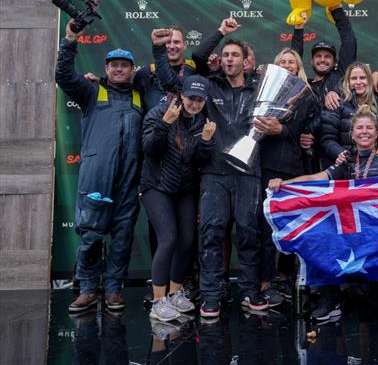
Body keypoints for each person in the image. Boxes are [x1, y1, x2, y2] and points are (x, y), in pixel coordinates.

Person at [155, 17, 271, 318]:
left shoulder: (260, 90)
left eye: (236, 55)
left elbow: (286, 115)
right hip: (213, 173)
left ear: (246, 61)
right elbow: (195, 58)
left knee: (248, 233)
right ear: (221, 60)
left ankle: (248, 290)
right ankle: (211, 295)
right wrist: (221, 33)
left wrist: (277, 127)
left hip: (248, 173)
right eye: (227, 55)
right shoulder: (207, 86)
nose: (230, 59)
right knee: (212, 233)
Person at [268, 105, 378, 321]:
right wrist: (286, 184)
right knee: (323, 237)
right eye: (359, 128)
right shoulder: (347, 159)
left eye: (369, 128)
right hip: (351, 229)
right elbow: (317, 178)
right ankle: (331, 300)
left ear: (376, 132)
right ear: (352, 134)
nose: (364, 132)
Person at [56, 20, 143, 313]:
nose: (119, 69)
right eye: (113, 65)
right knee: (91, 237)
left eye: (124, 65)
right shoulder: (92, 92)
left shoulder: (140, 98)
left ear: (132, 70)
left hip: (128, 182)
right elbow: (64, 76)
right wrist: (70, 39)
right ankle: (88, 289)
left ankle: (114, 289)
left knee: (122, 238)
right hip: (95, 179)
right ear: (106, 69)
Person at [140, 74, 216, 322]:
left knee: (186, 239)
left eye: (200, 100)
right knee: (168, 238)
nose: (194, 104)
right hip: (156, 186)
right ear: (181, 96)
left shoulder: (201, 121)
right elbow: (148, 149)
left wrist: (205, 142)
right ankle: (158, 301)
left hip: (184, 187)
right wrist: (164, 123)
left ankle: (175, 293)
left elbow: (200, 161)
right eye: (191, 98)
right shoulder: (159, 112)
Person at [256, 47, 319, 305]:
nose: (287, 65)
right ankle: (263, 284)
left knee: (288, 228)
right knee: (265, 229)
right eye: (282, 61)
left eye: (292, 62)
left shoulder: (306, 95)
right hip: (264, 165)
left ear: (298, 67)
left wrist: (281, 129)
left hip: (291, 168)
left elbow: (300, 129)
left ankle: (285, 278)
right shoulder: (262, 89)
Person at [320, 62, 378, 164]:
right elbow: (327, 139)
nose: (358, 82)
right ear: (347, 82)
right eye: (354, 78)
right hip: (345, 163)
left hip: (374, 164)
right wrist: (341, 153)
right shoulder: (336, 103)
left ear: (369, 80)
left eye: (362, 78)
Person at [134, 26, 196, 112]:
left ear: (184, 45)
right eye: (167, 42)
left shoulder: (194, 73)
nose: (171, 46)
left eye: (176, 42)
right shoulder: (144, 74)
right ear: (161, 44)